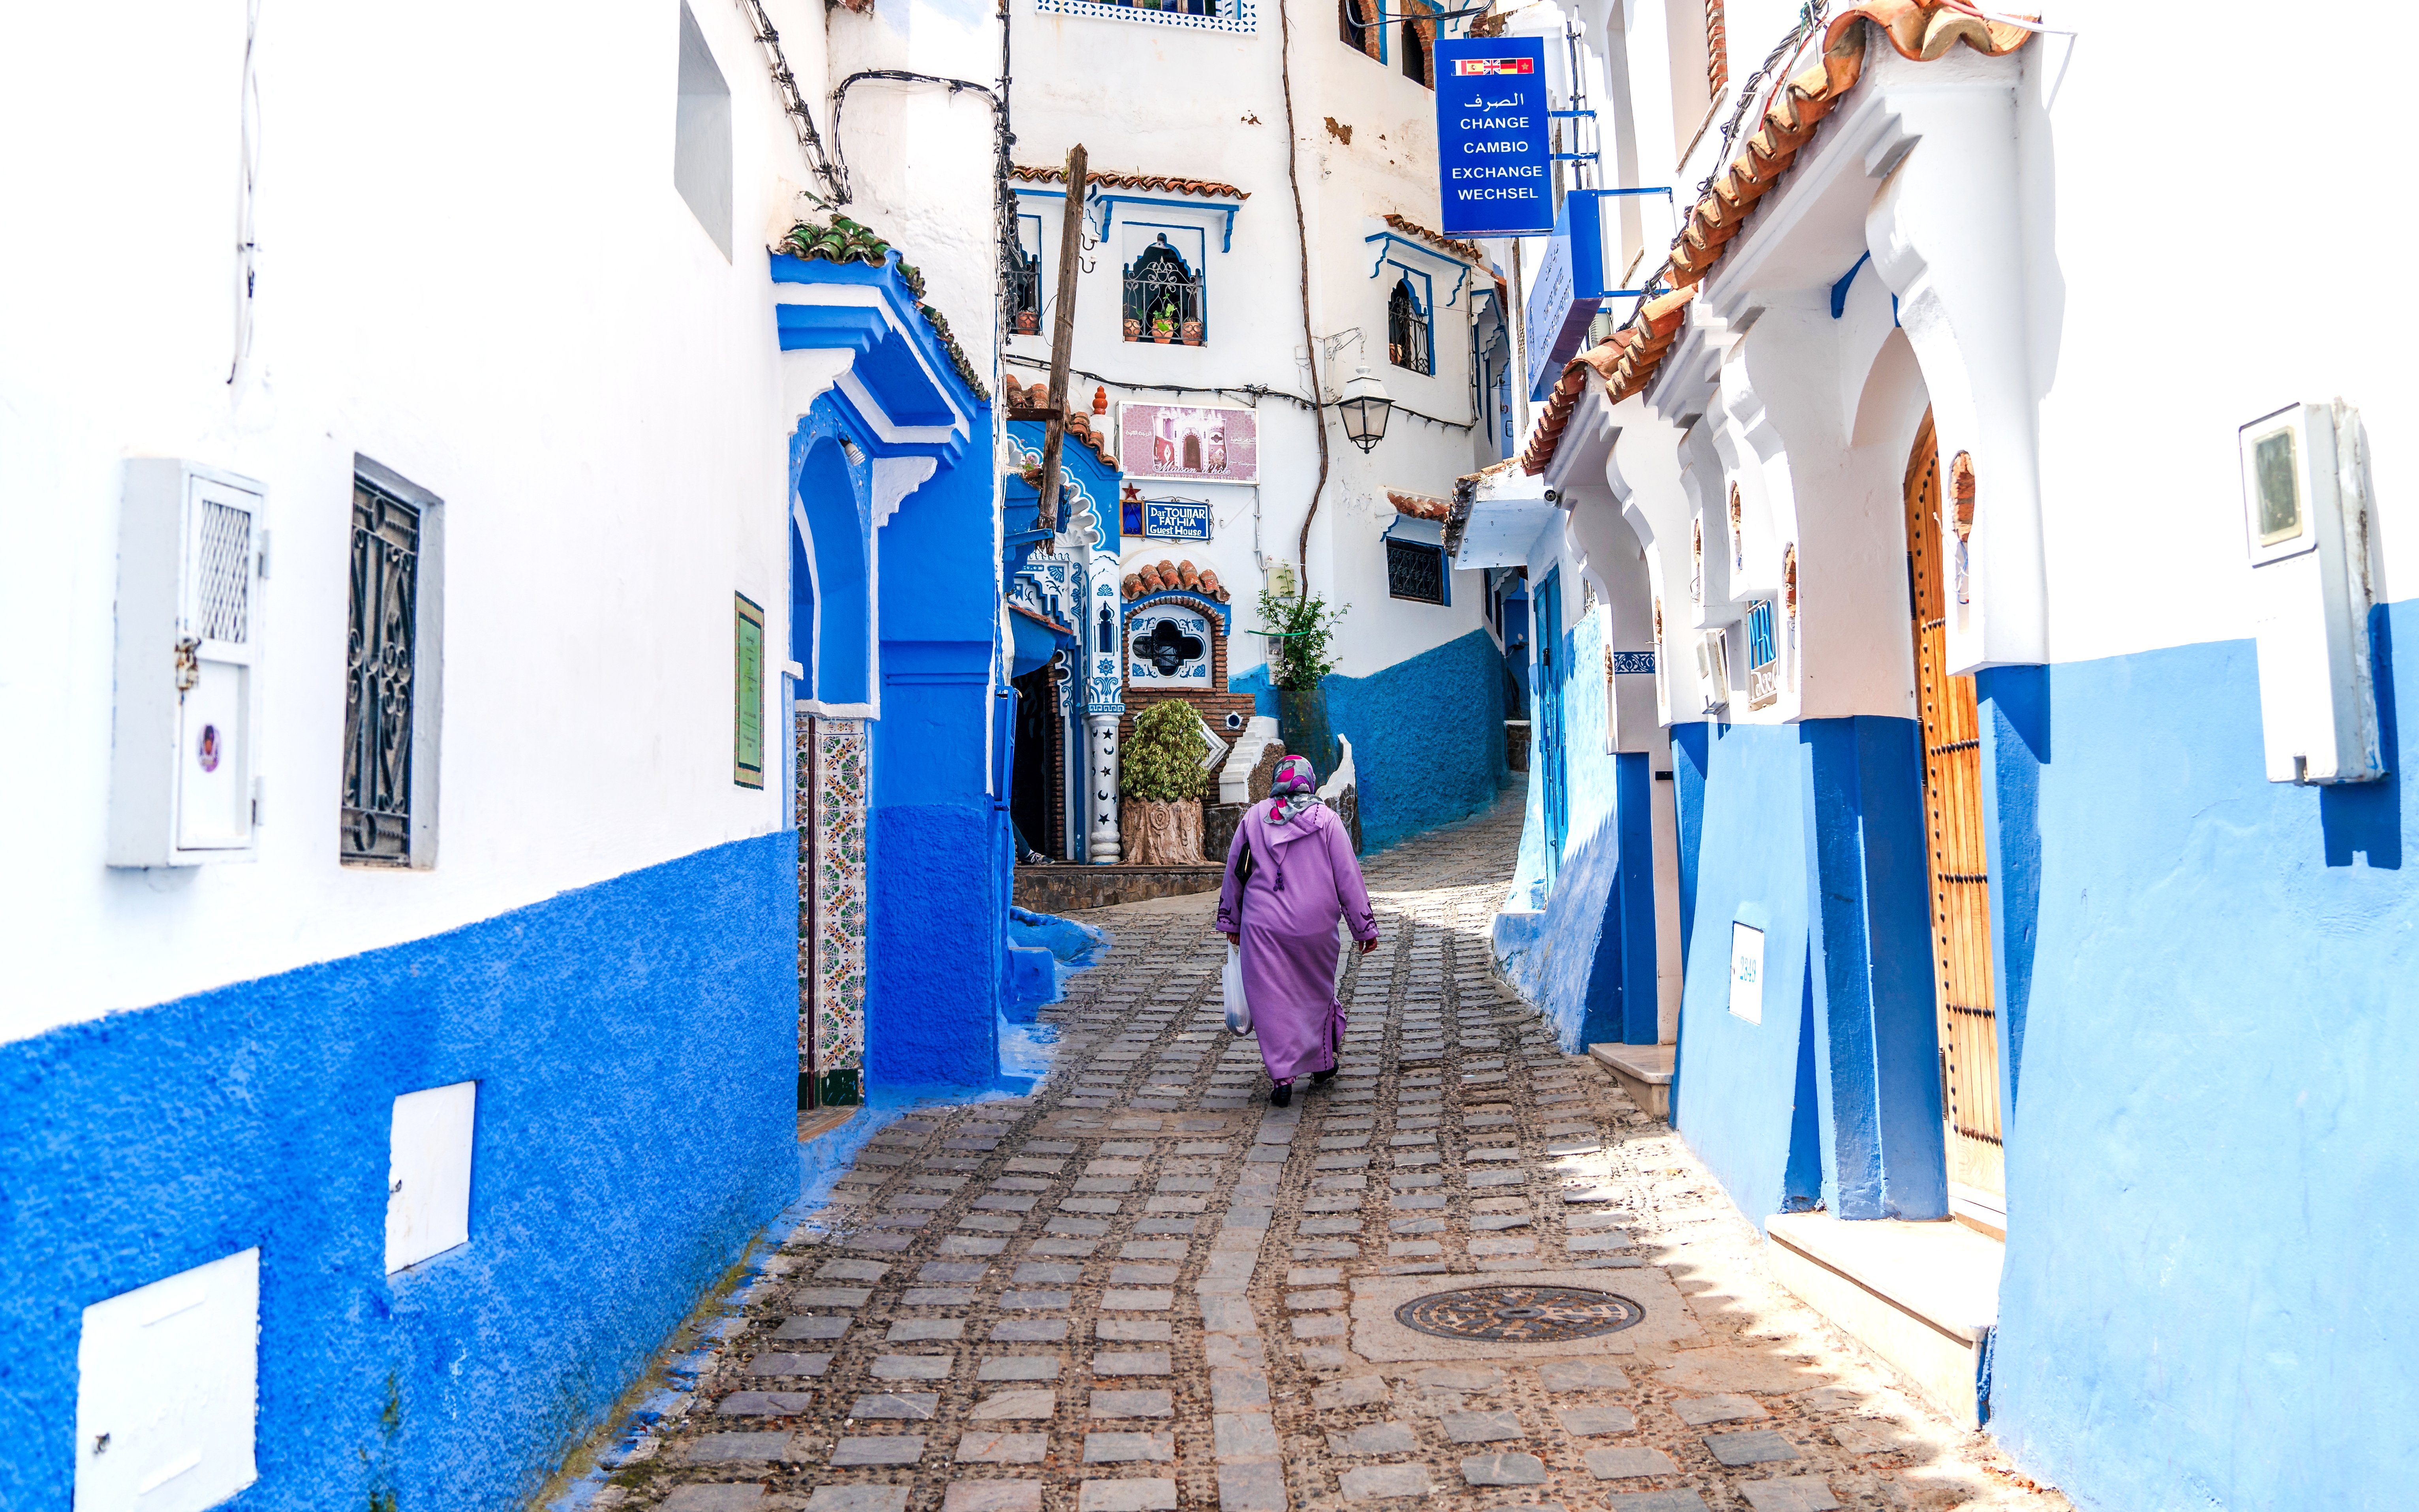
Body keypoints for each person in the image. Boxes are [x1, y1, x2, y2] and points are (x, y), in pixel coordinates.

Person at [1215, 755, 1379, 1105]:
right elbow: (1348, 878)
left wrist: (1232, 923)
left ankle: (1283, 1077)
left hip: (1264, 929)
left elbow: (1235, 873)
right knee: (1315, 992)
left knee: (1272, 1001)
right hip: (1314, 928)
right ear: (1309, 781)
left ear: (1277, 781)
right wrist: (1364, 928)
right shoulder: (1328, 821)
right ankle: (1321, 1062)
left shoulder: (1255, 819)